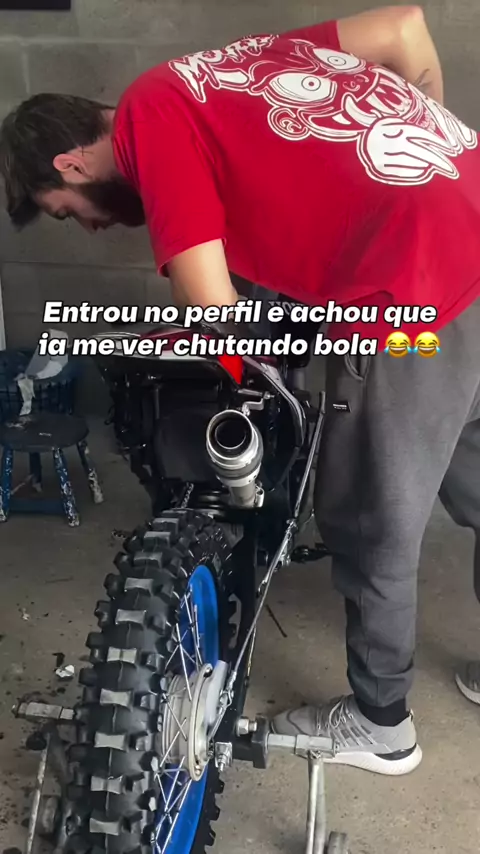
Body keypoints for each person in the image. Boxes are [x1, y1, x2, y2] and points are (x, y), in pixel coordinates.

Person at [1, 4, 480, 777]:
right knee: (474, 467)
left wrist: (247, 395)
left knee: (367, 512)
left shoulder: (151, 124)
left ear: (70, 165)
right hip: (475, 220)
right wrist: (422, 168)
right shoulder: (219, 74)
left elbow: (217, 314)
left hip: (412, 297)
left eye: (70, 213)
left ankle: (381, 723)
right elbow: (403, 26)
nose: (89, 228)